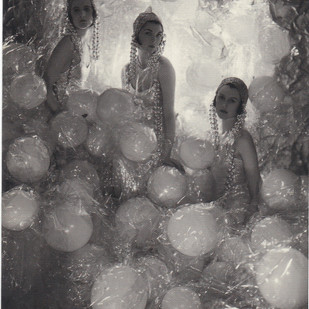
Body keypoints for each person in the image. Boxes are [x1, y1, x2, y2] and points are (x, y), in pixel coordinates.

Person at [113, 7, 179, 199]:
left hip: (159, 138)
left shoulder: (164, 68)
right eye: (148, 33)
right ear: (137, 36)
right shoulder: (126, 70)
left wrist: (165, 153)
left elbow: (168, 113)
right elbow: (125, 113)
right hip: (135, 141)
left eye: (158, 35)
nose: (154, 39)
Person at [209, 77, 261, 226]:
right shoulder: (213, 136)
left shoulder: (243, 139)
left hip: (236, 211)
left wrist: (251, 212)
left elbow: (254, 181)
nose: (224, 104)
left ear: (240, 107)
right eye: (221, 97)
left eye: (232, 101)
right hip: (213, 204)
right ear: (215, 99)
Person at [43, 0, 99, 114]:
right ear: (70, 15)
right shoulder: (68, 43)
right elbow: (45, 85)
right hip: (60, 116)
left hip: (77, 114)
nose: (82, 15)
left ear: (94, 13)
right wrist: (59, 115)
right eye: (76, 10)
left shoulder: (88, 45)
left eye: (86, 9)